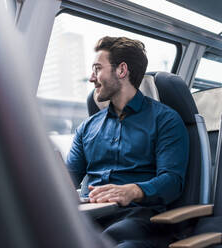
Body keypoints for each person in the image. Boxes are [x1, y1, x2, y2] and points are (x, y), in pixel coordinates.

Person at [66, 36, 189, 248]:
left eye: (97, 69)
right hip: (91, 217)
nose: (91, 78)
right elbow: (68, 180)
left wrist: (132, 190)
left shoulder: (165, 120)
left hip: (139, 219)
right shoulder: (87, 128)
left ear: (121, 71)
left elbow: (172, 182)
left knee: (110, 239)